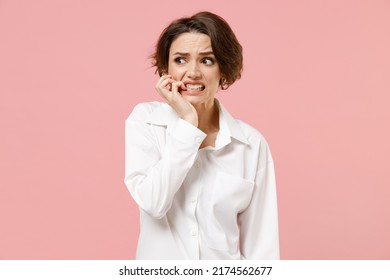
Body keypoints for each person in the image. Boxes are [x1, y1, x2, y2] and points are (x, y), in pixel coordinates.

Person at [124, 11, 279, 260]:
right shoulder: (145, 122)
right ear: (166, 69)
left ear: (223, 70)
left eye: (207, 61)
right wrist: (188, 123)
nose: (193, 72)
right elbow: (153, 203)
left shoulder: (251, 144)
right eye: (180, 60)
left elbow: (263, 246)